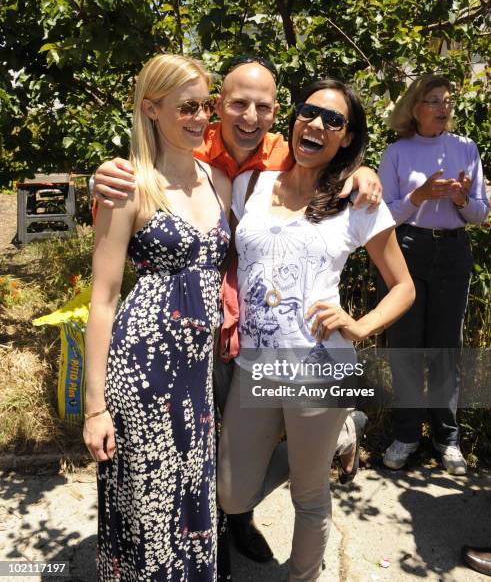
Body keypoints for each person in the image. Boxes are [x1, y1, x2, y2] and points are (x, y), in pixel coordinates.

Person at [92, 55, 379, 563]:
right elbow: (147, 172)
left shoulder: (279, 155)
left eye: (263, 107)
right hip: (200, 337)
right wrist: (107, 176)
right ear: (219, 105)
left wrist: (365, 171)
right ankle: (224, 522)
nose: (250, 117)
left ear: (275, 114)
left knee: (231, 460)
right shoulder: (193, 143)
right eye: (237, 104)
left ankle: (240, 522)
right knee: (221, 463)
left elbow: (332, 164)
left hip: (253, 335)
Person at [217, 79, 415, 582]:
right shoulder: (250, 186)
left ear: (347, 138)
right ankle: (339, 435)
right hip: (254, 366)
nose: (318, 124)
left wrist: (359, 325)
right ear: (294, 118)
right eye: (310, 111)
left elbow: (403, 287)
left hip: (320, 367)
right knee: (231, 493)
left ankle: (303, 575)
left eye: (335, 121)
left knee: (310, 494)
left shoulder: (358, 202)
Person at [83, 53, 231, 580]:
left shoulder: (218, 180)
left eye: (205, 106)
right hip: (141, 370)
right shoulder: (129, 187)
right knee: (148, 507)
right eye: (186, 107)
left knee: (193, 498)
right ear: (151, 108)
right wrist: (94, 406)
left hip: (196, 376)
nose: (200, 118)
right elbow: (103, 297)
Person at [379, 74, 489, 475]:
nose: (443, 108)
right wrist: (418, 197)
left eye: (447, 100)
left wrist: (462, 199)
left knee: (446, 348)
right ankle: (406, 434)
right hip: (406, 248)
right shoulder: (397, 152)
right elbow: (383, 216)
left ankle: (448, 439)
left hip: (454, 249)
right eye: (433, 101)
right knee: (405, 346)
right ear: (415, 108)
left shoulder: (465, 148)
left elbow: (480, 214)